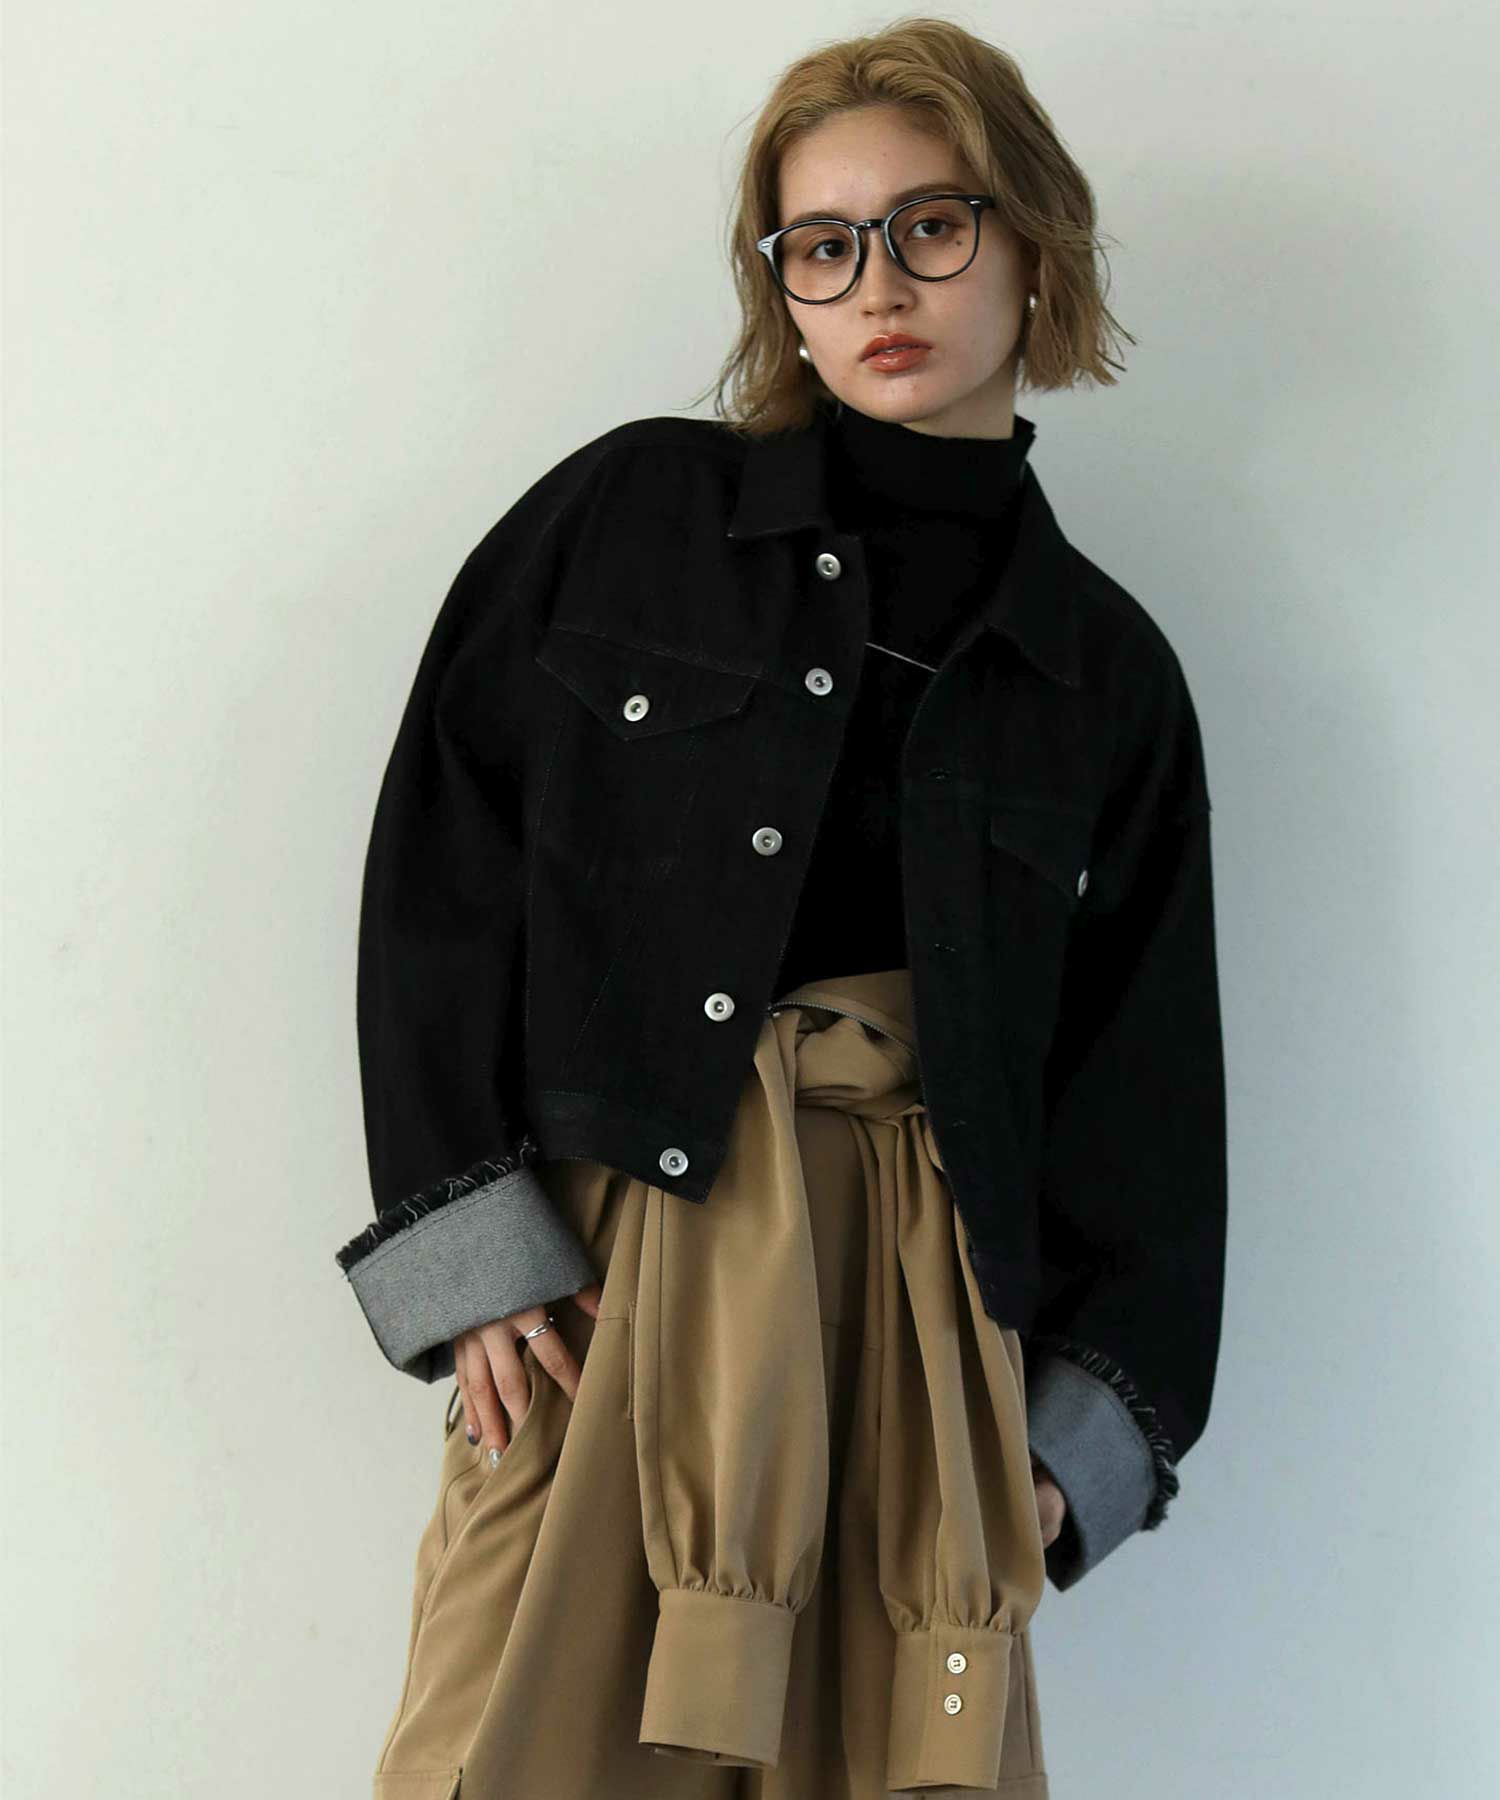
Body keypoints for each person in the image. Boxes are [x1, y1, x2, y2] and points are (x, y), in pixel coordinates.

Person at [332, 17, 1226, 1799]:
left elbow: (1144, 1095)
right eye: (823, 244)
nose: (878, 283)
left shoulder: (1105, 672)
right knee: (502, 1754)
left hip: (920, 1326)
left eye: (930, 226)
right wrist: (469, 1254)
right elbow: (442, 858)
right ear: (784, 291)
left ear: (1035, 242)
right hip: (612, 1300)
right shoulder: (632, 516)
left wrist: (1061, 1458)